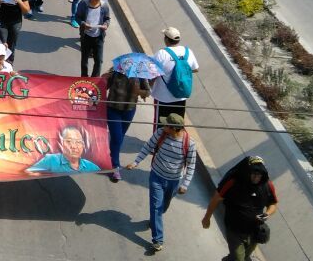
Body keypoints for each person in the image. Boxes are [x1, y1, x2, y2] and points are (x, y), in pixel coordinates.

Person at [128, 113, 197, 252]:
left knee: (163, 207)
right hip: (156, 177)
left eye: (166, 125)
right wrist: (136, 162)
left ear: (174, 129)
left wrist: (185, 184)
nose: (163, 126)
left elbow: (191, 165)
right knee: (156, 207)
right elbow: (148, 147)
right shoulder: (161, 133)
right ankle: (158, 240)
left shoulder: (189, 144)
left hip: (174, 181)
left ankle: (154, 221)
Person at [203, 156, 279, 261]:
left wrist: (267, 214)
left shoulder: (267, 185)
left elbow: (273, 204)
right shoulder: (233, 183)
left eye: (259, 175)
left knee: (245, 257)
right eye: (254, 174)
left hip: (254, 231)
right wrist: (207, 218)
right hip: (235, 230)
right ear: (247, 172)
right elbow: (216, 199)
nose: (256, 178)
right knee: (238, 259)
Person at [103, 66, 150, 182]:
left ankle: (112, 157)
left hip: (129, 110)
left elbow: (147, 92)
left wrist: (139, 92)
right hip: (113, 109)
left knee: (120, 137)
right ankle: (115, 167)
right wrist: (104, 78)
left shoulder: (140, 73)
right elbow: (104, 86)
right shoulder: (116, 70)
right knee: (117, 138)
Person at [151, 27, 198, 125]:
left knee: (161, 125)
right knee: (176, 126)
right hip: (181, 96)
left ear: (166, 39)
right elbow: (195, 69)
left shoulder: (162, 53)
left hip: (163, 97)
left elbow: (152, 74)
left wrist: (147, 89)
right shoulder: (188, 52)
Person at [26, 125, 100, 174]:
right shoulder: (51, 160)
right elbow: (28, 173)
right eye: (69, 141)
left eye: (78, 142)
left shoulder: (91, 167)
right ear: (62, 144)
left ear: (83, 145)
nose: (74, 146)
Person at [76, 0, 110, 76]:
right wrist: (83, 24)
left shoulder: (104, 6)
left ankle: (94, 79)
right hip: (86, 36)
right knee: (84, 60)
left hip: (99, 37)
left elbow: (107, 19)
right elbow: (77, 17)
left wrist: (106, 25)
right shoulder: (83, 4)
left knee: (99, 61)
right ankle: (84, 77)